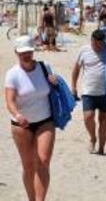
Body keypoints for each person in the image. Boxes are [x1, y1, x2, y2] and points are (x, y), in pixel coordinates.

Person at [4, 36, 57, 201]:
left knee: (43, 161)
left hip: (45, 121)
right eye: (22, 53)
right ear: (16, 53)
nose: (26, 55)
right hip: (21, 125)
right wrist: (17, 115)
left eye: (28, 52)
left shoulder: (44, 67)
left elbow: (54, 88)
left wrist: (55, 82)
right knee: (28, 166)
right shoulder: (12, 74)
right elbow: (10, 101)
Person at [71, 29, 106, 154]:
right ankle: (92, 137)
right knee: (88, 117)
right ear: (92, 40)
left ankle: (101, 147)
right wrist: (73, 87)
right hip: (88, 91)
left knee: (104, 119)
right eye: (96, 44)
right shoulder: (83, 51)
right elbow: (76, 69)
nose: (99, 47)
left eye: (101, 44)